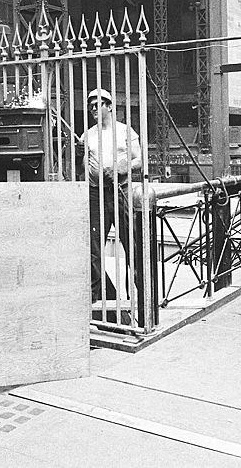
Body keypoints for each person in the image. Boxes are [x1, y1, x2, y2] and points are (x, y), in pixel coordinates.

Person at [79, 88, 143, 317]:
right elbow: (86, 163)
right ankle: (95, 304)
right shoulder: (88, 134)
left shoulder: (125, 131)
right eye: (90, 106)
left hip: (121, 192)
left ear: (109, 106)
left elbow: (139, 159)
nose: (94, 109)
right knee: (94, 249)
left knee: (131, 246)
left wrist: (118, 168)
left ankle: (142, 301)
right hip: (96, 194)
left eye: (98, 105)